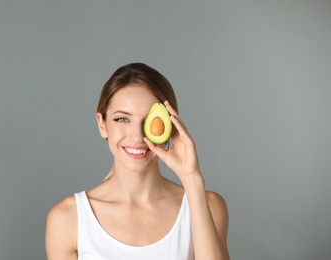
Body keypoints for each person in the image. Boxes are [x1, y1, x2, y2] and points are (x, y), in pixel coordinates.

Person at [45, 63, 230, 260]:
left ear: (171, 125)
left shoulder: (208, 205)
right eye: (122, 119)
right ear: (102, 124)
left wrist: (192, 179)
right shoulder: (67, 218)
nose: (137, 136)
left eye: (150, 121)